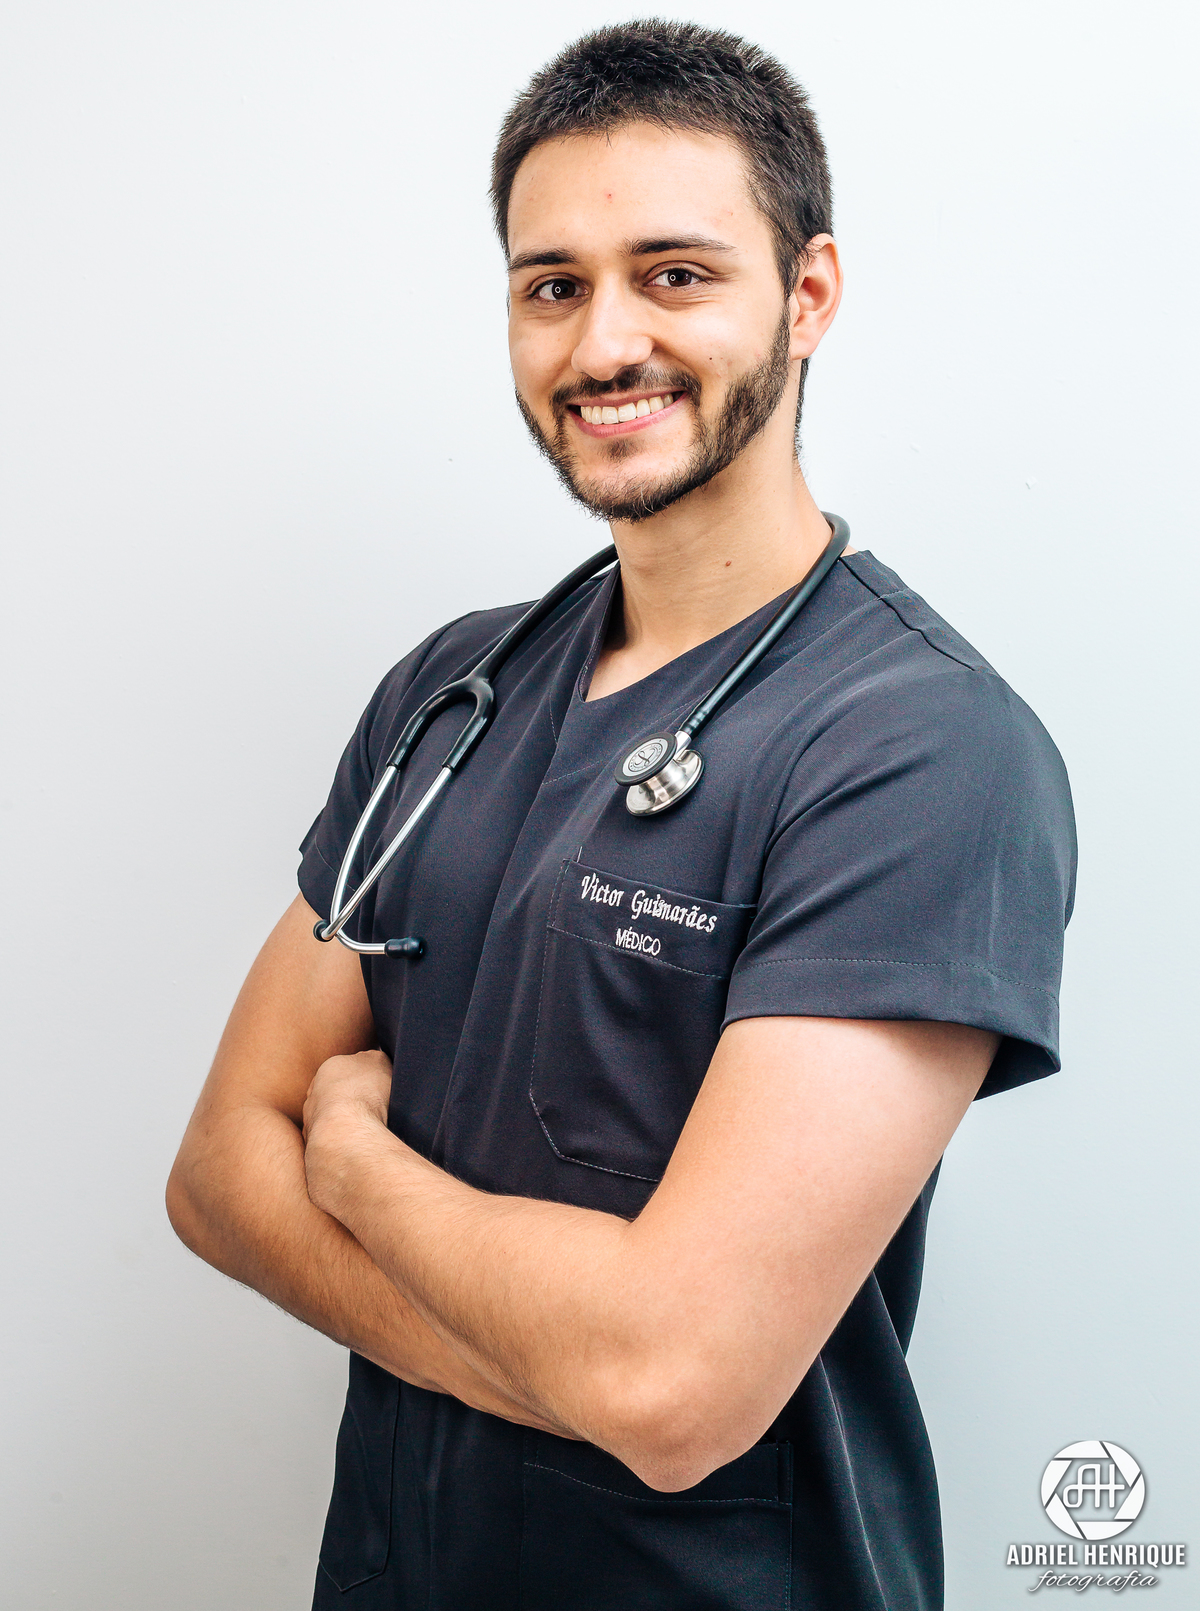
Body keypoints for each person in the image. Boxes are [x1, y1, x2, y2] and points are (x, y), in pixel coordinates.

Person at [166, 21, 1076, 1611]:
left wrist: (358, 1163)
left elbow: (672, 1385)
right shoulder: (451, 691)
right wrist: (567, 1366)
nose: (603, 345)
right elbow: (216, 1176)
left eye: (674, 274)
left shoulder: (922, 752)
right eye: (552, 285)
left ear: (807, 295)